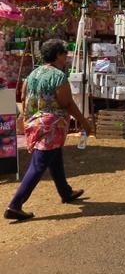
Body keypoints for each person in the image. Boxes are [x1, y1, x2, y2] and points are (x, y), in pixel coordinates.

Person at [4, 39, 93, 221]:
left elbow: (23, 96)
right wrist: (84, 121)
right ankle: (15, 204)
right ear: (58, 55)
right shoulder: (58, 76)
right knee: (39, 164)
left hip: (35, 123)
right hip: (51, 125)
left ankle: (65, 192)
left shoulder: (32, 74)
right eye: (64, 54)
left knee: (55, 157)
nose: (66, 58)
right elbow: (66, 103)